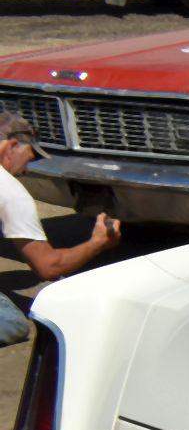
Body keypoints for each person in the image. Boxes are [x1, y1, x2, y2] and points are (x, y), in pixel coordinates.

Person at [2, 108, 121, 299]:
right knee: (22, 327)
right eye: (28, 158)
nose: (25, 171)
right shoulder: (11, 191)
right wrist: (97, 242)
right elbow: (48, 267)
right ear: (12, 146)